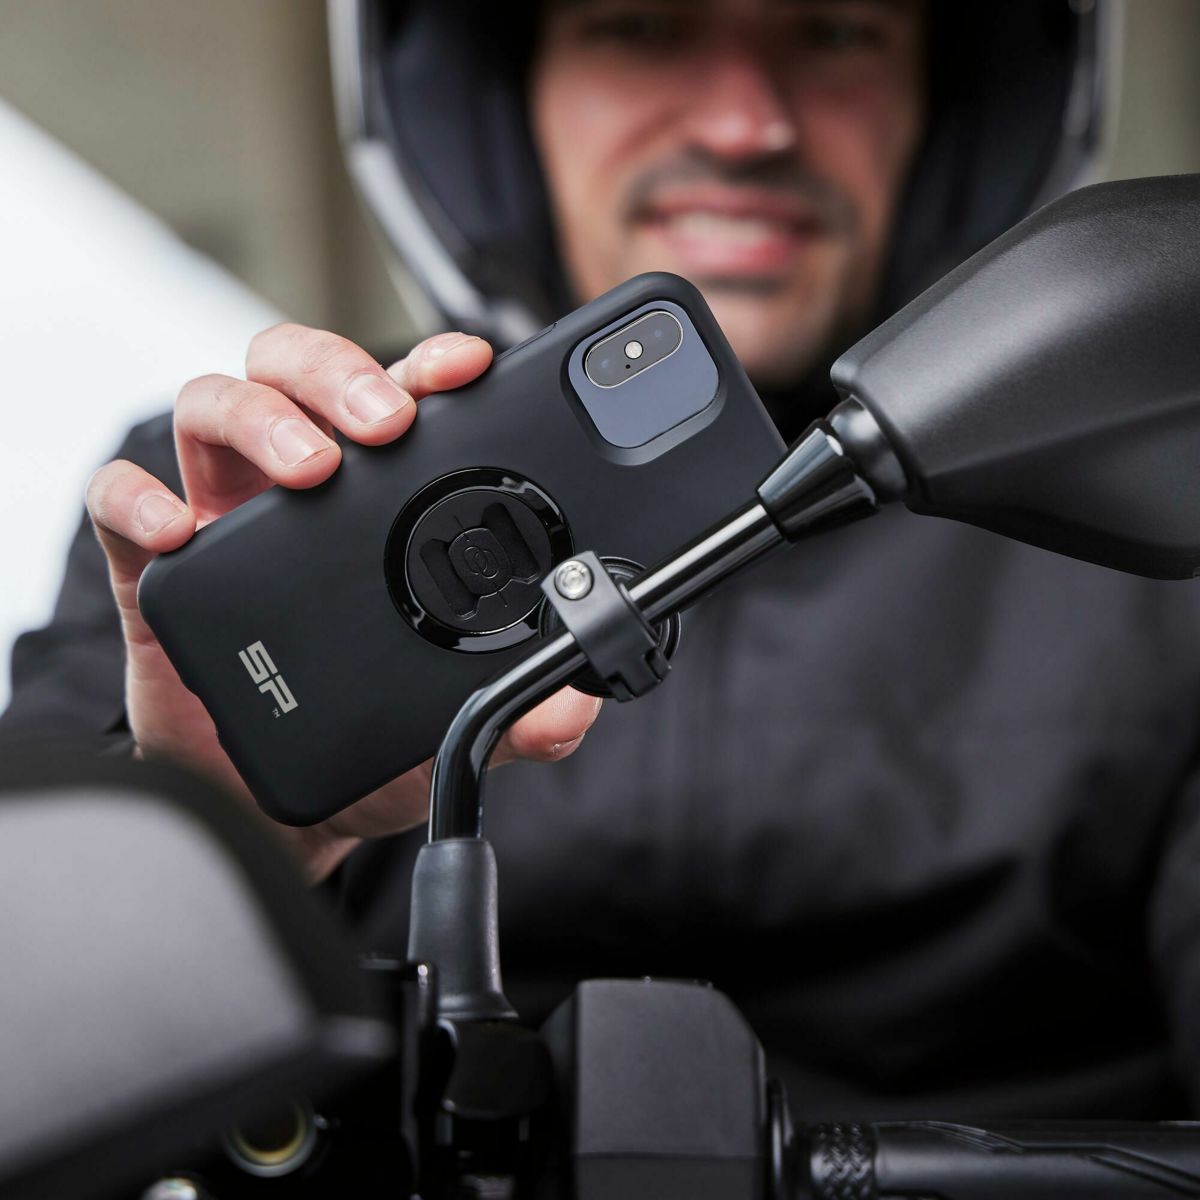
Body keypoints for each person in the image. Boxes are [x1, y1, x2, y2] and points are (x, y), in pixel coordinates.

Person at [7, 0, 1200, 1121]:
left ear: (956, 110)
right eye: (640, 25)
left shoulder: (1148, 539)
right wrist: (212, 843)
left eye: (839, 31)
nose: (745, 125)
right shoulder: (235, 496)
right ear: (497, 103)